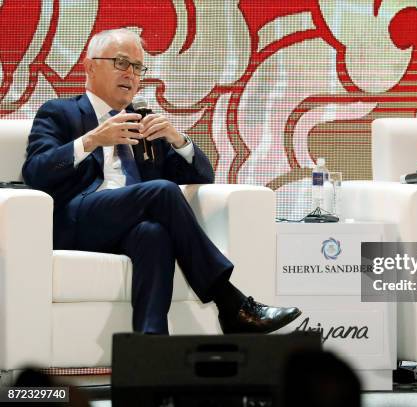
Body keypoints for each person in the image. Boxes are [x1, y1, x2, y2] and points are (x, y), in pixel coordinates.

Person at [22, 28, 301, 336]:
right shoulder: (59, 113)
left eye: (138, 67)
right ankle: (230, 302)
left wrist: (177, 139)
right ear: (90, 66)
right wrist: (91, 140)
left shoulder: (144, 124)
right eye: (121, 62)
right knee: (161, 191)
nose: (131, 74)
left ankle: (150, 346)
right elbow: (36, 171)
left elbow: (202, 177)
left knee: (153, 234)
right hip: (79, 221)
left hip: (128, 222)